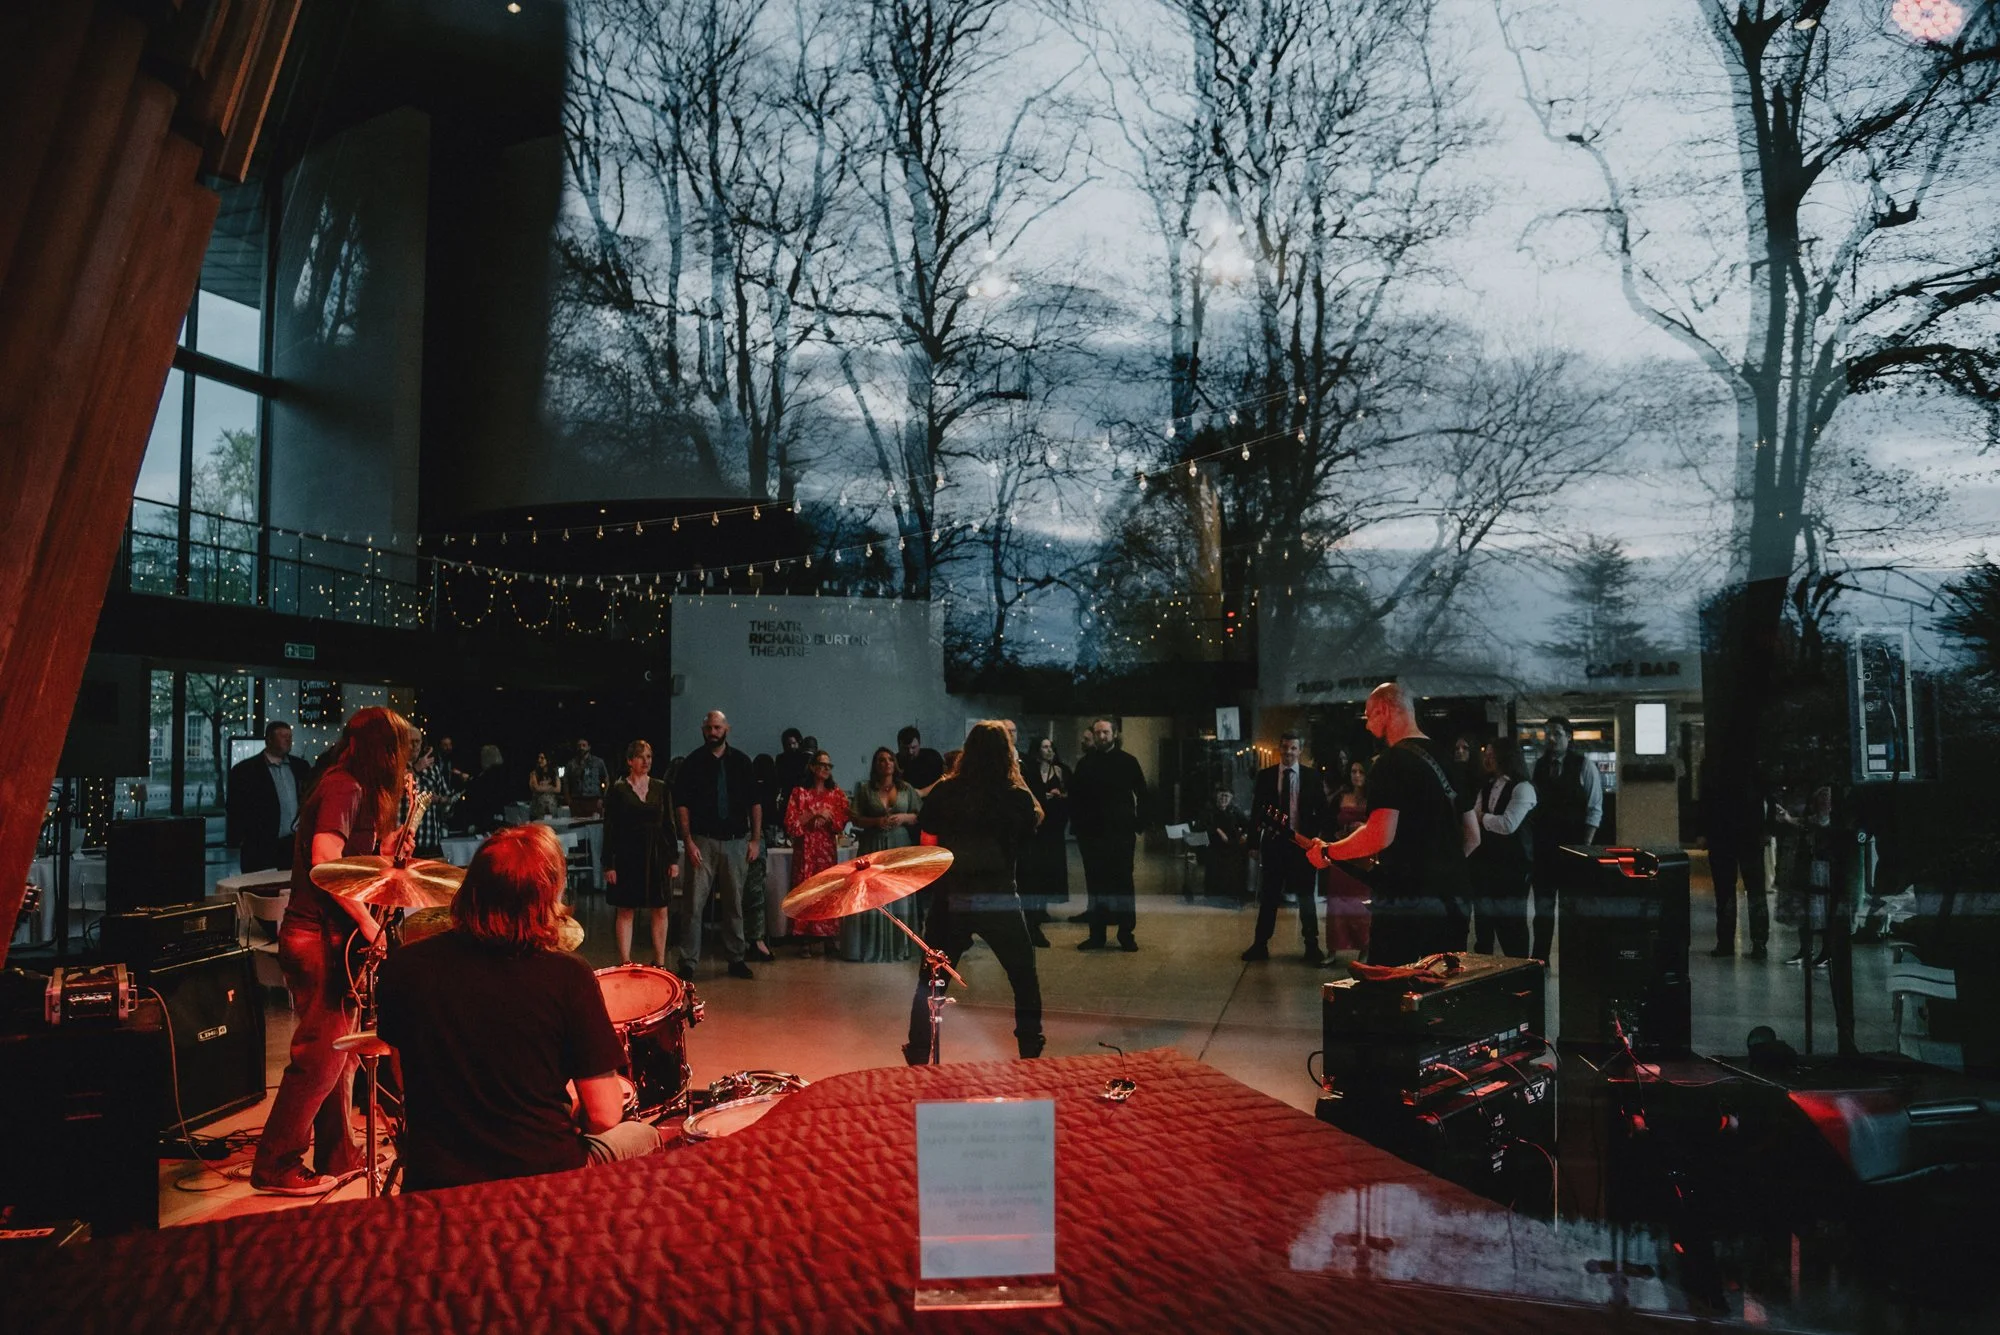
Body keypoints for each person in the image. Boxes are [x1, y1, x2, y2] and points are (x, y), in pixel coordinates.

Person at [376, 824, 660, 1191]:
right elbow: (605, 1115)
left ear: (469, 888)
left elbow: (403, 1078)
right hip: (540, 1175)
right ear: (546, 898)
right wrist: (573, 1109)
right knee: (645, 1136)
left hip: (435, 1176)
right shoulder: (567, 975)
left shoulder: (405, 966)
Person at [250, 707, 416, 1195]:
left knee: (340, 1057)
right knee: (320, 1058)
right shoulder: (344, 786)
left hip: (329, 937)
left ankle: (338, 1153)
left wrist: (389, 849)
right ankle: (275, 1163)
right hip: (319, 938)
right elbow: (325, 860)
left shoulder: (353, 787)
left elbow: (356, 863)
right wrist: (368, 923)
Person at [1301, 684, 1477, 966]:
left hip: (1404, 903)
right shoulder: (1447, 759)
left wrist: (1328, 852)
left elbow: (1379, 834)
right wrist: (1441, 869)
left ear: (1384, 710)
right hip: (1453, 899)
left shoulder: (1390, 762)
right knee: (1443, 985)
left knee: (1389, 984)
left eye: (1369, 715)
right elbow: (1473, 836)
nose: (1367, 725)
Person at [904, 722, 1045, 1064]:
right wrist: (1018, 777)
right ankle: (1029, 1048)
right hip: (998, 896)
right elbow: (1036, 820)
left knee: (932, 977)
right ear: (1007, 755)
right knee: (1023, 976)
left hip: (952, 895)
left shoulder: (945, 790)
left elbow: (928, 837)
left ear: (967, 751)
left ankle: (919, 1053)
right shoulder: (1015, 795)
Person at [673, 710, 762, 980]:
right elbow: (682, 805)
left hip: (736, 842)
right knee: (693, 905)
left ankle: (736, 958)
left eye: (717, 728)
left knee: (734, 904)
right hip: (703, 841)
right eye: (709, 728)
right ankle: (688, 961)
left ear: (727, 729)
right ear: (703, 730)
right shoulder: (692, 763)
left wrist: (755, 840)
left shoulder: (742, 762)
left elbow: (755, 803)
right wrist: (688, 841)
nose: (713, 732)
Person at [1243, 731, 1330, 964]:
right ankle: (1260, 944)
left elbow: (1323, 810)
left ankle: (1311, 946)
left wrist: (1321, 839)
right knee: (1269, 896)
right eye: (1285, 747)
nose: (1289, 752)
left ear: (1300, 750)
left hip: (1303, 845)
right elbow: (1257, 811)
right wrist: (1253, 843)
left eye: (1293, 748)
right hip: (1274, 844)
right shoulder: (1266, 776)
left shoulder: (1311, 777)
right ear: (1279, 749)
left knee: (1306, 896)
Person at [1070, 717, 1149, 952]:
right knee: (1096, 885)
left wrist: (1138, 823)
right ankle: (1097, 934)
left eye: (1105, 732)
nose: (1102, 736)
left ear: (1114, 734)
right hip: (1093, 835)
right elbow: (1075, 799)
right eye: (1098, 733)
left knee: (1123, 883)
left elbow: (1143, 793)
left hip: (1120, 833)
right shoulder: (1085, 764)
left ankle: (1126, 933)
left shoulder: (1128, 762)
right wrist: (1079, 829)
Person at [1529, 717, 1603, 962]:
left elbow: (1594, 808)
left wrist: (1584, 847)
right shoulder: (1538, 766)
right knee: (1543, 909)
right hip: (1544, 849)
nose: (1551, 738)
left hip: (1573, 847)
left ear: (1569, 737)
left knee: (1573, 907)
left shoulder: (1583, 766)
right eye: (1547, 733)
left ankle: (1575, 959)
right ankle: (1540, 958)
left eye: (1557, 733)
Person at [604, 740, 678, 967]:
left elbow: (669, 825)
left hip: (656, 854)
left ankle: (660, 960)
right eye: (641, 757)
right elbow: (610, 828)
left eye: (649, 757)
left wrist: (673, 858)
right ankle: (625, 961)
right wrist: (609, 864)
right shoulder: (618, 790)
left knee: (660, 908)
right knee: (626, 908)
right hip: (627, 855)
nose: (646, 761)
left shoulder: (661, 788)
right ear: (630, 761)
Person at [846, 746, 924, 961]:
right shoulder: (865, 789)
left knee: (899, 893)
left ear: (894, 764)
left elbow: (920, 815)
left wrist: (904, 818)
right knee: (874, 893)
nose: (887, 763)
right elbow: (855, 818)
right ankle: (872, 946)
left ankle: (900, 946)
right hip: (873, 844)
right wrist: (876, 821)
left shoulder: (906, 788)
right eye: (881, 760)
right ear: (875, 765)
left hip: (899, 844)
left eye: (890, 759)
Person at [1469, 738, 1537, 957]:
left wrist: (1483, 818)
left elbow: (1508, 825)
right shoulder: (1486, 785)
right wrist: (1485, 819)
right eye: (1486, 754)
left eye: (1492, 754)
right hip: (1486, 865)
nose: (1487, 759)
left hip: (1513, 867)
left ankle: (1521, 970)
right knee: (1484, 926)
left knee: (1512, 926)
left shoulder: (1523, 788)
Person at [1703, 758, 1771, 961]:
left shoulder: (1715, 766)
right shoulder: (1754, 765)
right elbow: (1767, 797)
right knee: (1755, 891)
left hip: (1723, 834)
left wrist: (1703, 831)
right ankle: (1758, 942)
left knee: (1725, 892)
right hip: (1749, 834)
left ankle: (1726, 942)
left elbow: (1707, 800)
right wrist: (1766, 830)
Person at [784, 751, 851, 956]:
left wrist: (828, 818)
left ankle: (828, 937)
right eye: (822, 765)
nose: (825, 769)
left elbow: (841, 821)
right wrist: (813, 813)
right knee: (806, 892)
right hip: (805, 850)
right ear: (812, 767)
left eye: (829, 766)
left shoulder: (836, 793)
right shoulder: (799, 792)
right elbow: (791, 824)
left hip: (825, 850)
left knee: (827, 890)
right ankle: (804, 939)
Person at [226, 720, 314, 873]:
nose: (288, 740)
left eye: (290, 736)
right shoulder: (246, 771)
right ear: (269, 740)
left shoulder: (301, 767)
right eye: (283, 736)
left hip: (293, 845)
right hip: (260, 847)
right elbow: (235, 808)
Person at [1017, 736, 1072, 946]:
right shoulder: (1030, 771)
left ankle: (1044, 906)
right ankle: (1036, 907)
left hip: (1054, 823)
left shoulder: (1059, 770)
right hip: (1039, 823)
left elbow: (1069, 794)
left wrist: (1059, 796)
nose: (1049, 750)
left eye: (1050, 747)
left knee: (1051, 863)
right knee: (1037, 864)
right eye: (1044, 747)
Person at [1323, 760, 1372, 955]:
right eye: (1353, 771)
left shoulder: (1375, 799)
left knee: (1362, 903)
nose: (1357, 775)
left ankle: (1365, 949)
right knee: (1336, 902)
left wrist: (1364, 827)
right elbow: (1329, 823)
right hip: (1342, 852)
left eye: (1361, 772)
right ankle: (1332, 949)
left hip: (1364, 855)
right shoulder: (1341, 797)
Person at [1203, 788, 1251, 901]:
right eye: (1221, 796)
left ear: (1231, 798)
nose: (1224, 799)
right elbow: (1207, 825)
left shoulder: (1234, 810)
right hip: (1215, 845)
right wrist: (1219, 832)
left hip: (1232, 844)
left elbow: (1247, 825)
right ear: (1217, 797)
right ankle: (1214, 894)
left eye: (1227, 796)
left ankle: (1234, 893)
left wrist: (1245, 835)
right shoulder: (1210, 810)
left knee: (1239, 859)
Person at [412, 737, 455, 857]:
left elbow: (448, 799)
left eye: (417, 741)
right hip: (403, 844)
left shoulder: (433, 769)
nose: (414, 746)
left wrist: (440, 800)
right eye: (411, 741)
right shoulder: (397, 768)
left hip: (429, 840)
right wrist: (416, 769)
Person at [461, 744, 514, 832]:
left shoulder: (489, 774)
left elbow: (479, 789)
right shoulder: (500, 772)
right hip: (496, 812)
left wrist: (469, 781)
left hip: (488, 814)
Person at [564, 737, 610, 818]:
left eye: (584, 745)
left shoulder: (598, 762)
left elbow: (606, 780)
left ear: (589, 747)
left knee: (595, 824)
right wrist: (568, 799)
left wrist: (603, 799)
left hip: (594, 800)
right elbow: (566, 782)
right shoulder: (571, 764)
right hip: (577, 801)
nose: (581, 748)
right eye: (579, 746)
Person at [897, 725, 946, 796]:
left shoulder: (932, 757)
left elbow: (942, 780)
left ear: (919, 744)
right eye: (905, 748)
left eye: (913, 747)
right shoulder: (893, 762)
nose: (910, 752)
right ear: (899, 747)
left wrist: (922, 792)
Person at [527, 751, 562, 820]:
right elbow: (536, 788)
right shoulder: (534, 773)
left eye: (542, 758)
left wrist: (543, 788)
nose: (539, 760)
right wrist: (550, 787)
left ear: (548, 760)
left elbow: (558, 789)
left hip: (551, 808)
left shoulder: (554, 773)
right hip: (538, 809)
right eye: (539, 758)